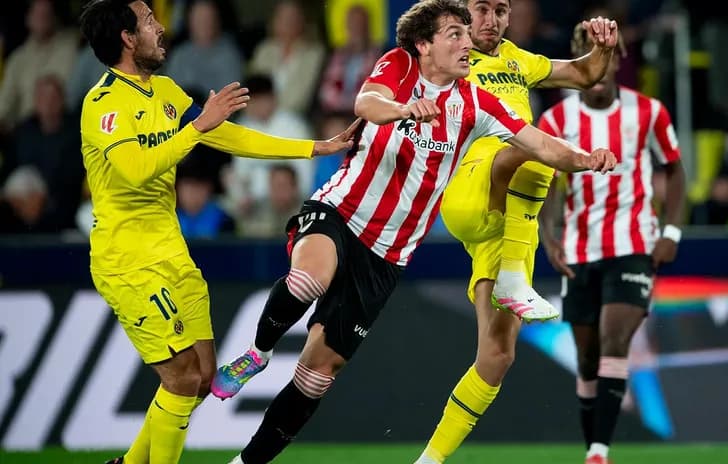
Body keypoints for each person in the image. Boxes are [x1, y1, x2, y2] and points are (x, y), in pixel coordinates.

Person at [211, 1, 618, 463]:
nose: (468, 43)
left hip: (388, 253)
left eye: (468, 35)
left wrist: (582, 158)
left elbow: (537, 142)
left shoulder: (476, 102)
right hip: (342, 211)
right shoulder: (399, 63)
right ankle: (258, 352)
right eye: (455, 35)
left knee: (317, 375)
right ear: (425, 45)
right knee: (308, 279)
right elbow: (367, 102)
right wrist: (406, 108)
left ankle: (245, 462)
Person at [77, 2, 358, 463]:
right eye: (149, 22)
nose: (160, 28)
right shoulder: (103, 103)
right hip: (128, 261)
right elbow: (131, 169)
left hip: (171, 251)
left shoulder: (164, 91)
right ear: (127, 39)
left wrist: (313, 147)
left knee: (203, 378)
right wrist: (197, 128)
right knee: (182, 378)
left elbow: (227, 136)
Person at [415, 1, 619, 462]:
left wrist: (602, 48)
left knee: (497, 356)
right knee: (529, 144)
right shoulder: (450, 53)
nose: (490, 20)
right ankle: (513, 277)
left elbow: (584, 75)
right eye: (480, 9)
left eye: (500, 10)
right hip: (466, 184)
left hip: (506, 222)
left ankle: (430, 458)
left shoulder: (518, 60)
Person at [535, 23, 686, 464]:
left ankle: (599, 452)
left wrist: (671, 231)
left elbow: (675, 169)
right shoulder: (556, 120)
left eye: (606, 55)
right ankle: (593, 446)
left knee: (615, 337)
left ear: (619, 58)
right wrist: (550, 234)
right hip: (581, 249)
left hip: (634, 242)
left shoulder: (649, 113)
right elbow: (547, 181)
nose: (598, 67)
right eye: (588, 57)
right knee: (586, 357)